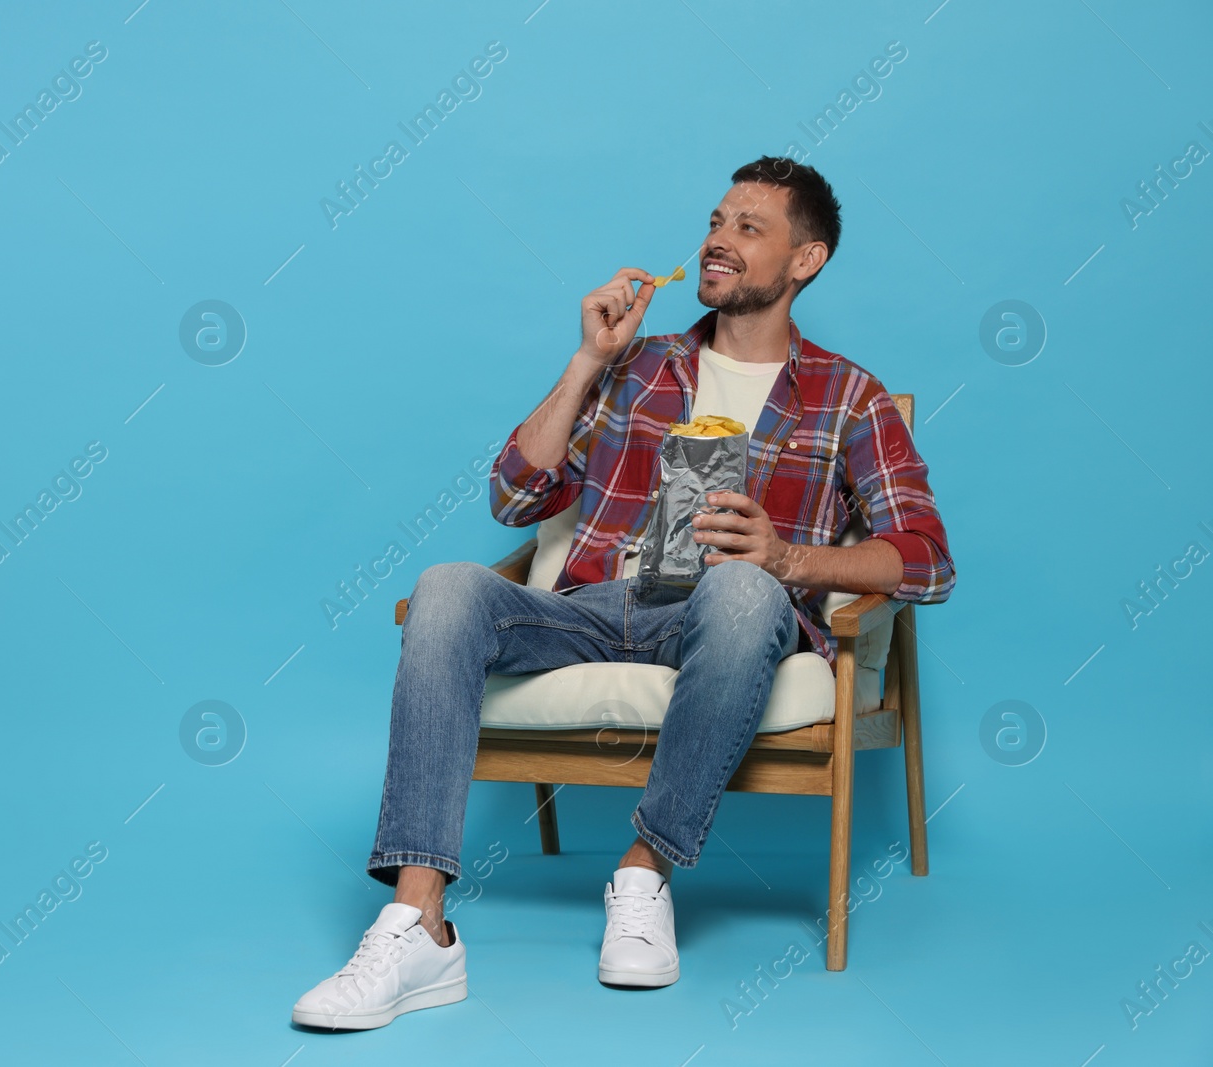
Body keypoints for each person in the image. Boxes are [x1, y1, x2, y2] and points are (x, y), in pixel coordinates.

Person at [291, 156, 955, 1030]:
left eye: (749, 228)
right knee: (447, 586)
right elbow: (514, 496)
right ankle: (420, 926)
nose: (717, 240)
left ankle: (643, 873)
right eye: (717, 221)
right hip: (596, 606)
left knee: (748, 592)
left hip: (727, 616)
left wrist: (788, 558)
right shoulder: (639, 366)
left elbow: (927, 558)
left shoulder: (847, 397)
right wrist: (586, 359)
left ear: (807, 261)